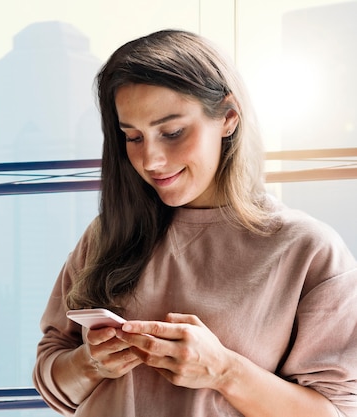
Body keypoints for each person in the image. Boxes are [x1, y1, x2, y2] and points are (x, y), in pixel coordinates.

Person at [32, 29, 357, 417]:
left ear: (229, 118)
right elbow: (53, 374)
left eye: (171, 132)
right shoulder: (107, 236)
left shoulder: (308, 250)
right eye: (133, 137)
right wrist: (90, 363)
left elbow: (335, 411)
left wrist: (225, 371)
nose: (150, 160)